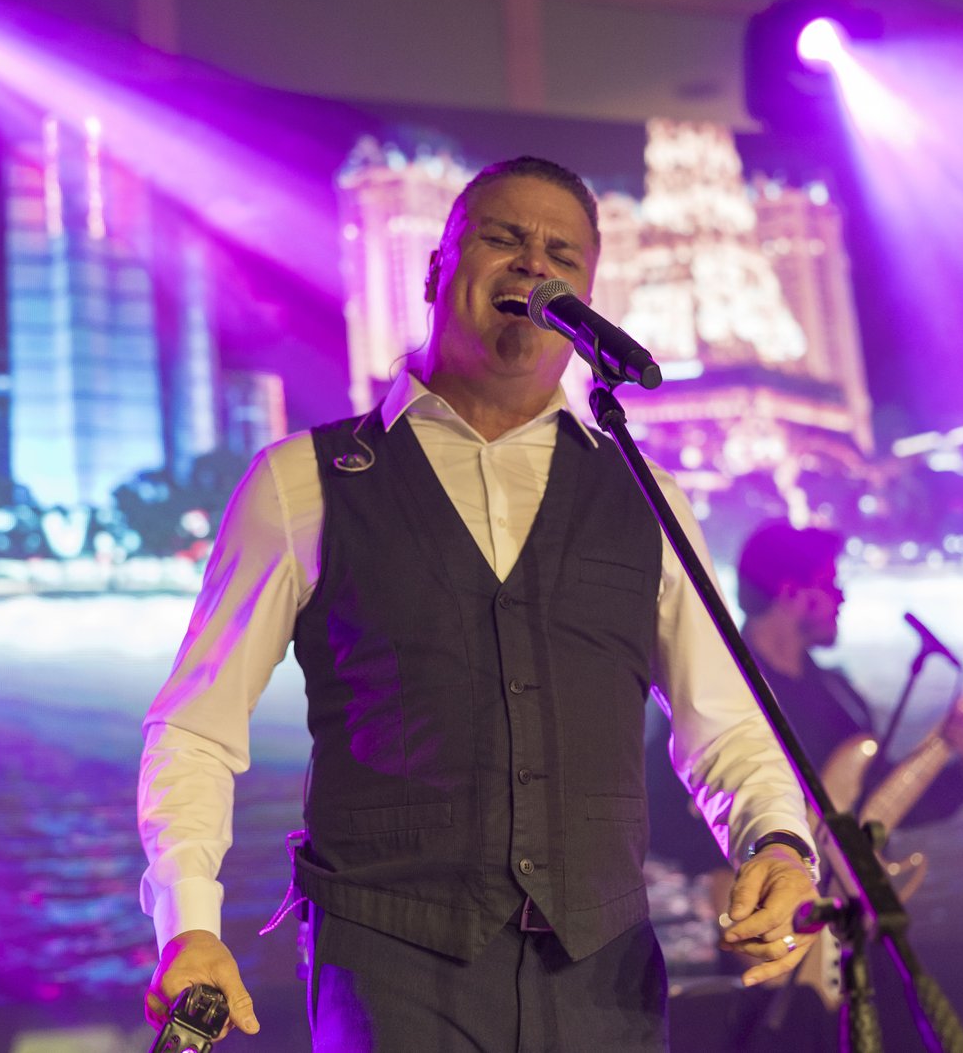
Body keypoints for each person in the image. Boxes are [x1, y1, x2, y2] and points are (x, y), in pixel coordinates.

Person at [137, 156, 823, 1052]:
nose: (535, 264)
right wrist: (188, 922)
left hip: (606, 980)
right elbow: (196, 729)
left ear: (586, 299)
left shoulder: (642, 494)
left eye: (562, 256)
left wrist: (778, 842)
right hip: (391, 974)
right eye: (505, 239)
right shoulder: (302, 482)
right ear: (436, 272)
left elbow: (726, 725)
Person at [653, 520, 963, 1052]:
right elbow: (663, 804)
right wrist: (737, 869)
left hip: (848, 927)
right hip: (767, 929)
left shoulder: (837, 693)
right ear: (792, 593)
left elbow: (880, 806)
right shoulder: (720, 693)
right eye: (830, 584)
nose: (842, 597)